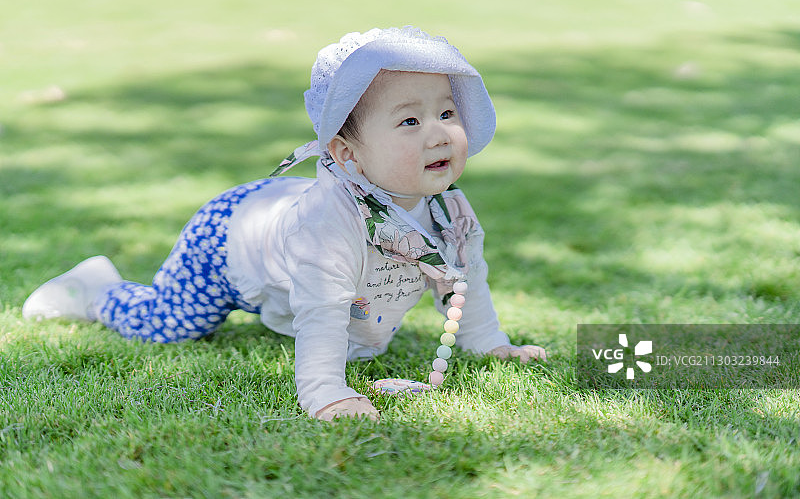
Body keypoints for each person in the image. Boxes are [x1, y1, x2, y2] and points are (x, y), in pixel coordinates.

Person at [22, 26, 547, 421]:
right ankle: (95, 291)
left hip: (284, 212)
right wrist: (326, 392)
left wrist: (487, 342)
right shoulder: (328, 228)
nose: (438, 134)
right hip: (232, 234)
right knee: (173, 325)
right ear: (346, 153)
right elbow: (322, 310)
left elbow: (464, 278)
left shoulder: (450, 212)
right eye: (410, 120)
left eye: (447, 114)